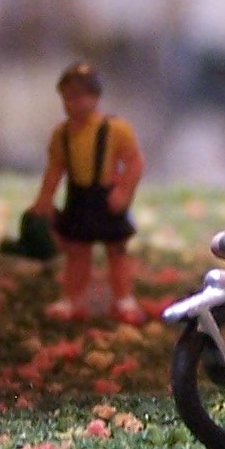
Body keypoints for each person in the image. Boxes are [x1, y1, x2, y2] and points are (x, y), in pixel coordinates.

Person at [31, 62, 145, 322]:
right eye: (68, 98)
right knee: (77, 251)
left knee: (116, 250)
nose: (74, 104)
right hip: (78, 197)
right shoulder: (62, 134)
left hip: (105, 197)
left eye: (80, 96)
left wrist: (124, 193)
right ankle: (72, 299)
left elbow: (135, 162)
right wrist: (45, 199)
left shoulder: (116, 129)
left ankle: (124, 299)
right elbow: (55, 169)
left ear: (95, 97)